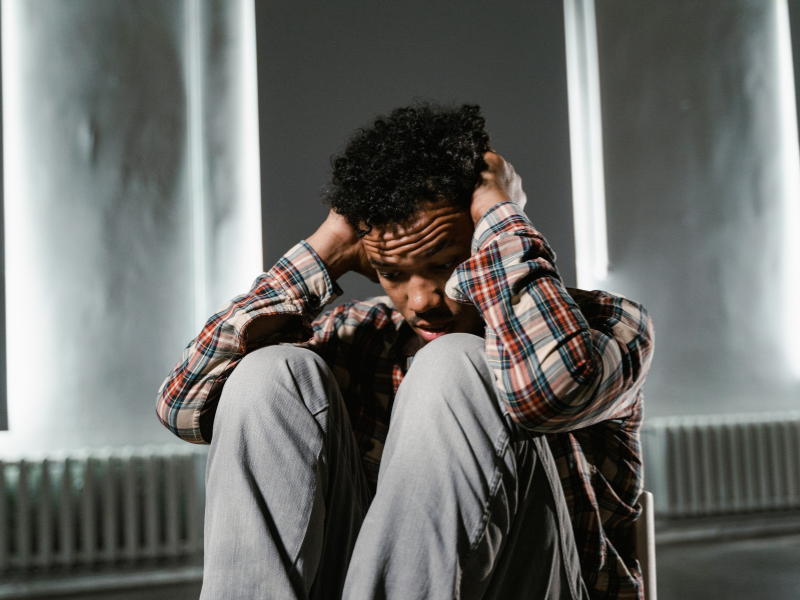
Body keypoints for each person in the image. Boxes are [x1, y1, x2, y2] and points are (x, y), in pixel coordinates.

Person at [157, 103, 654, 600]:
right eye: (393, 274)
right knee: (269, 372)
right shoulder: (359, 333)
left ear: (483, 242)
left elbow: (552, 393)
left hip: (540, 583)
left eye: (444, 264)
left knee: (456, 362)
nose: (421, 302)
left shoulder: (607, 323)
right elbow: (182, 406)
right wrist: (327, 246)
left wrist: (498, 210)